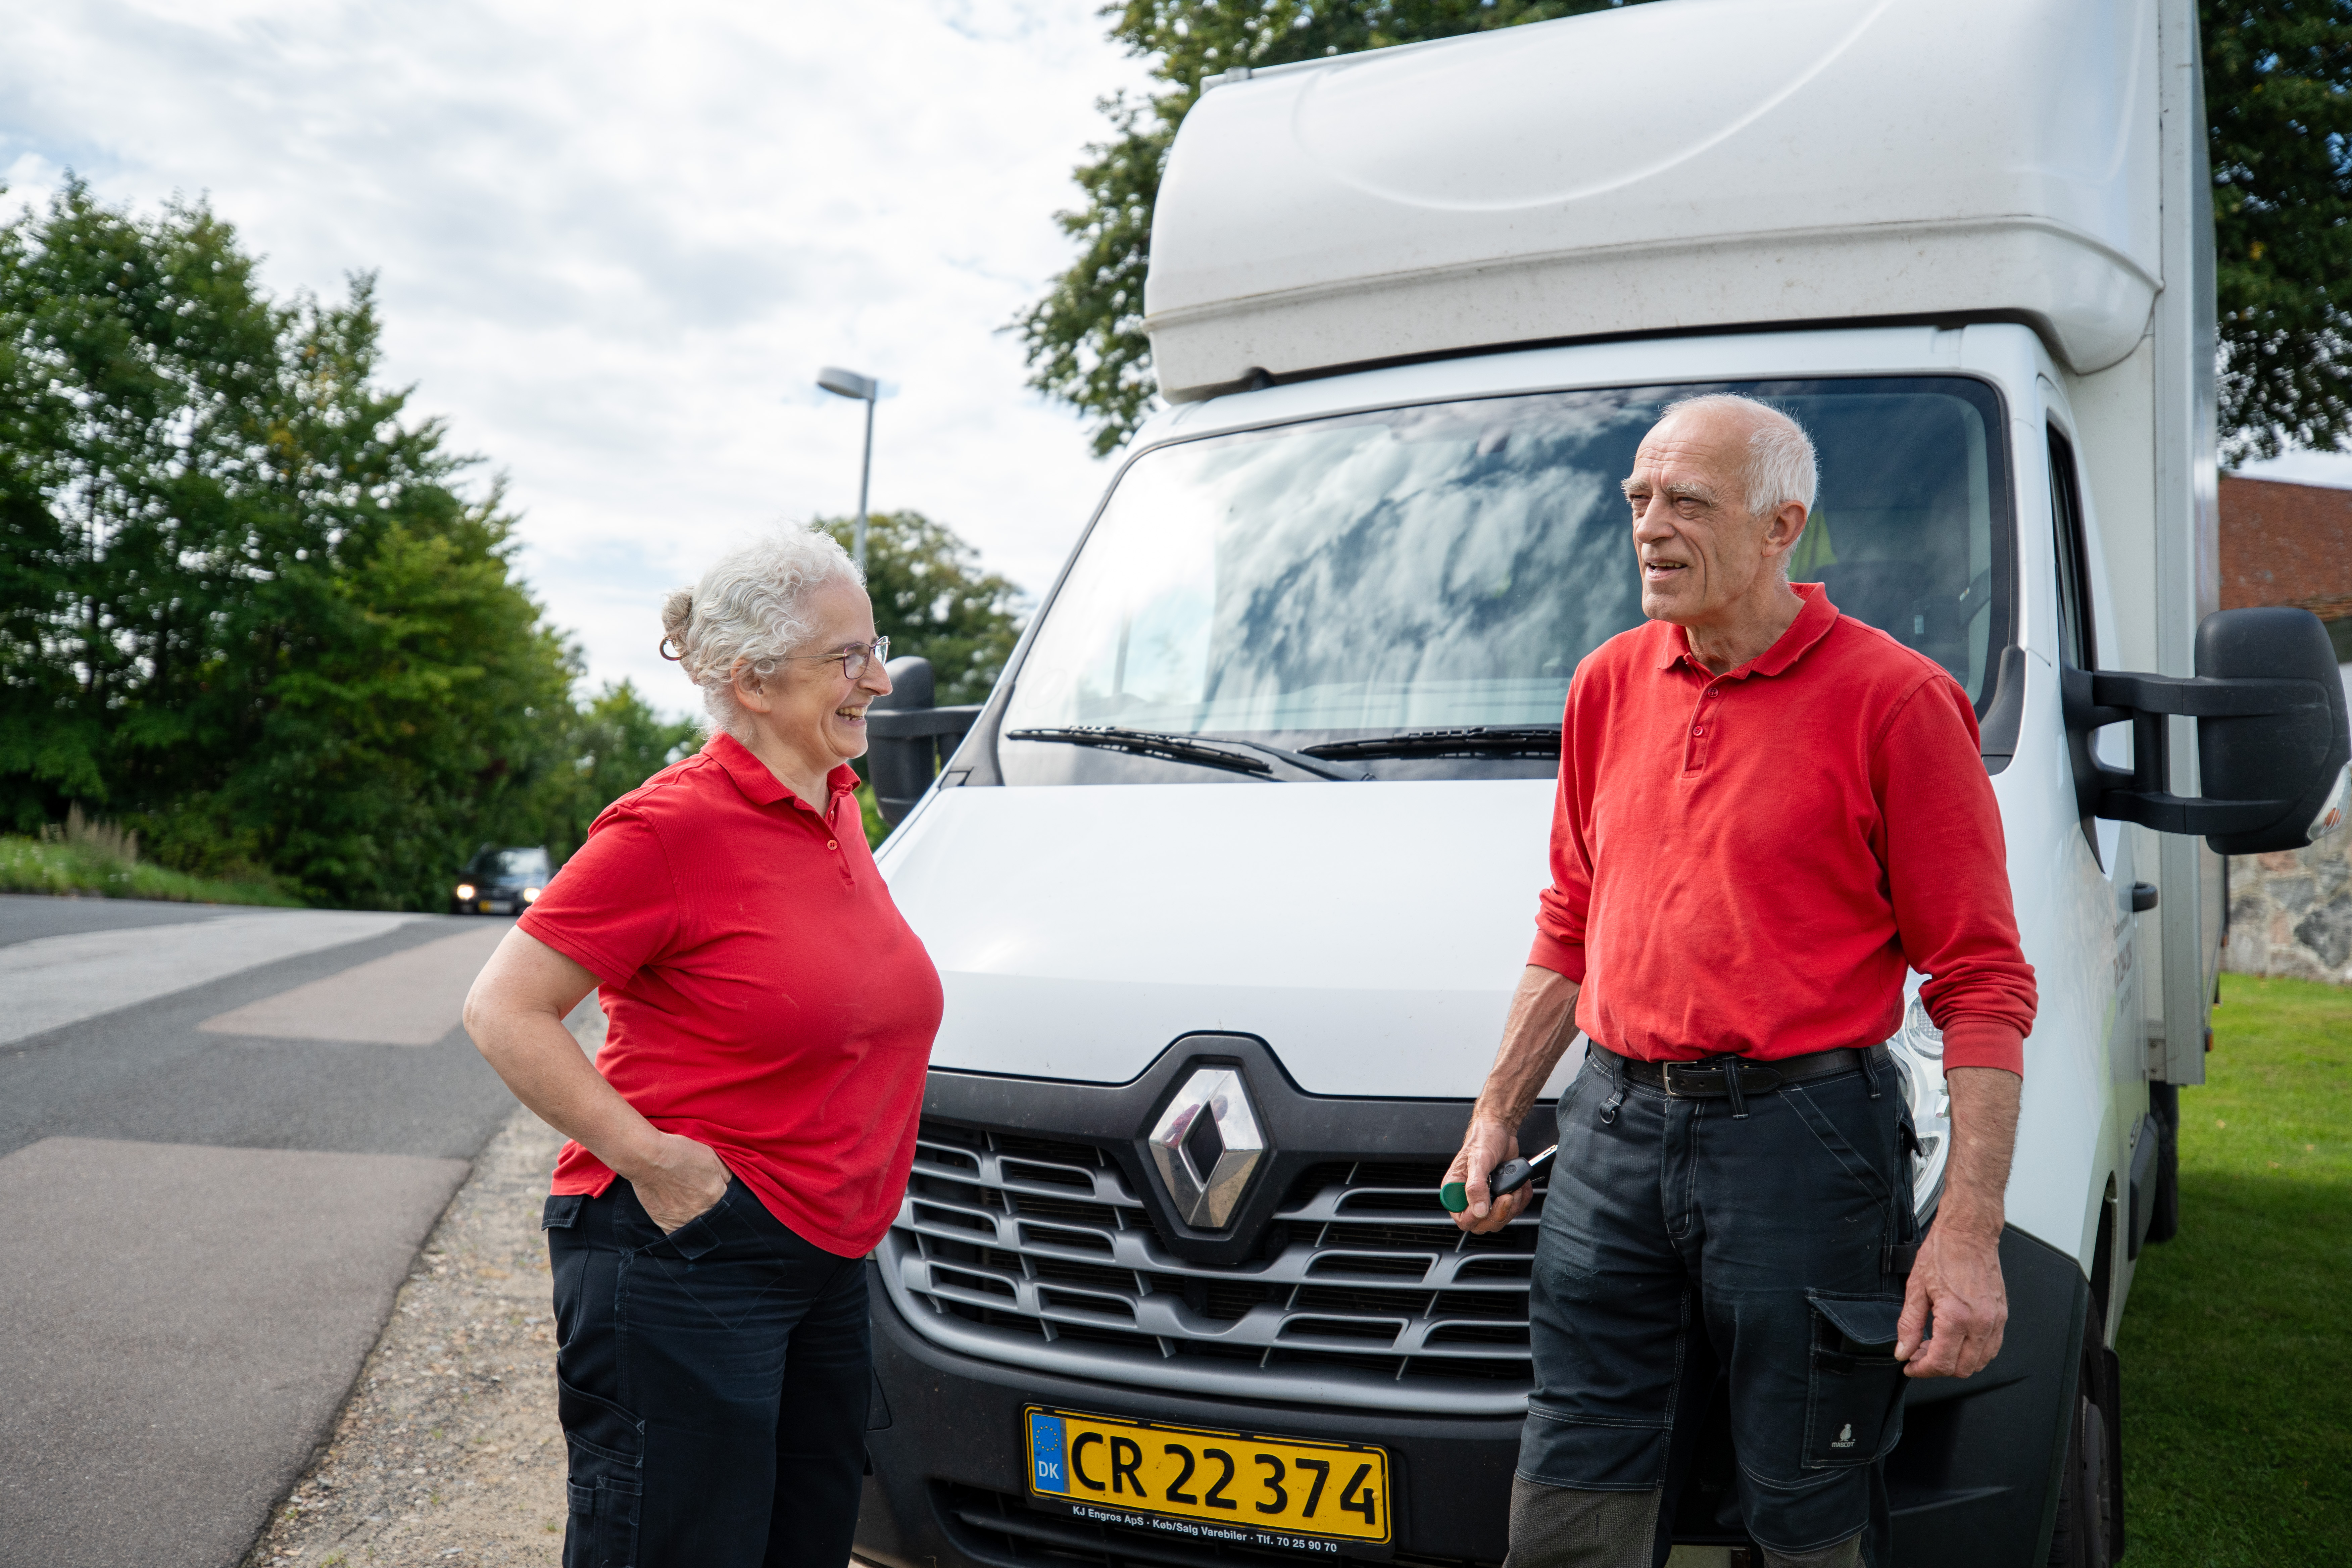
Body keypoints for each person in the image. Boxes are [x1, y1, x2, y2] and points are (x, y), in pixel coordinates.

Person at [1444, 395, 2037, 1568]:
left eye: (1687, 503)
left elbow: (1980, 980)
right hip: (1609, 1129)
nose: (1649, 530)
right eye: (1637, 501)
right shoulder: (1608, 683)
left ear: (1782, 527)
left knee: (1806, 1498)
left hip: (1804, 1141)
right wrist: (1497, 1110)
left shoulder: (1900, 701)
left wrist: (1968, 1235)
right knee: (1574, 1475)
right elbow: (1573, 918)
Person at [463, 526, 943, 1568]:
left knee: (801, 1544)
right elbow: (502, 1009)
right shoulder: (666, 828)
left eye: (875, 646)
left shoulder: (839, 808)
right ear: (756, 684)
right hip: (686, 1253)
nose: (879, 677)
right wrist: (660, 1162)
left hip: (826, 1258)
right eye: (847, 657)